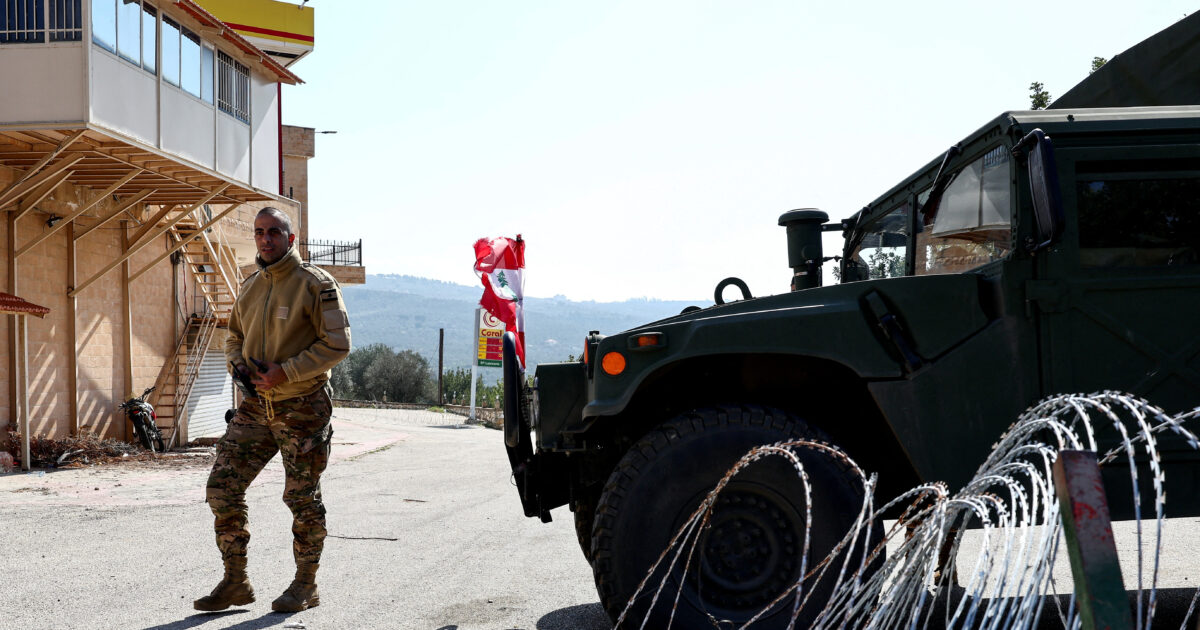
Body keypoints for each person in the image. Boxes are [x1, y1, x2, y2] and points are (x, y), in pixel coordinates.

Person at [194, 207, 351, 613]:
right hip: (255, 406)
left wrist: (287, 372)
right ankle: (236, 582)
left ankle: (306, 585)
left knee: (301, 497)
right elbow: (233, 336)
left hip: (303, 406)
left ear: (290, 238)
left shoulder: (316, 284)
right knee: (222, 488)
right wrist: (237, 366)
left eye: (275, 232)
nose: (266, 239)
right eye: (260, 232)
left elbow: (338, 344)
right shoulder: (251, 285)